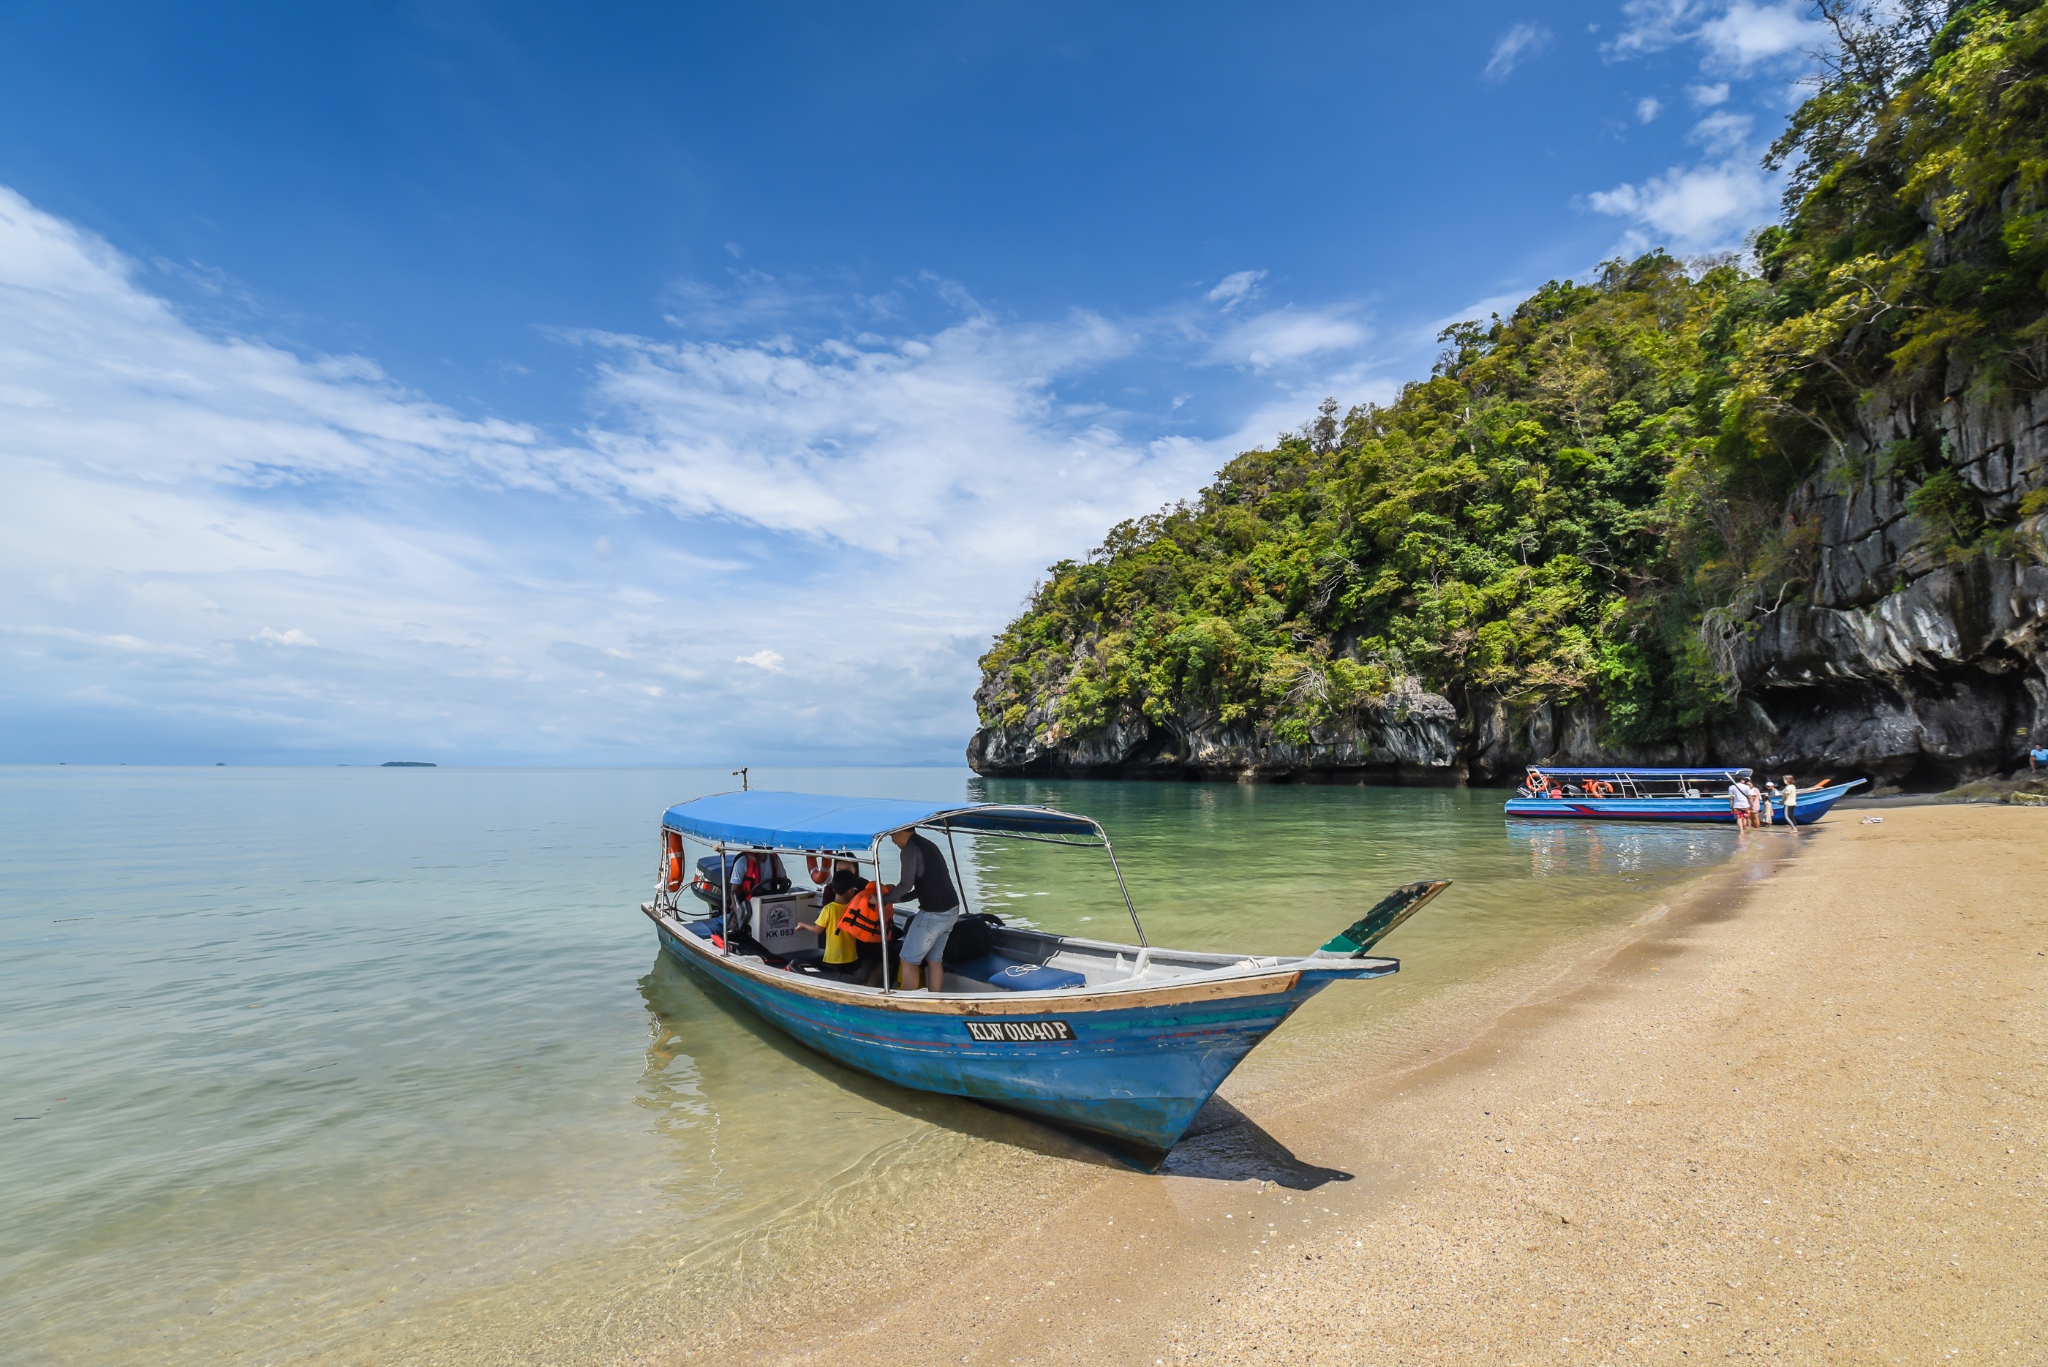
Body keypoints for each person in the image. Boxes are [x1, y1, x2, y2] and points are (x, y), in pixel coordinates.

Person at [885, 825, 961, 991]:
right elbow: (924, 885)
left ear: (899, 831)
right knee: (934, 959)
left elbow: (905, 885)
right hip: (951, 909)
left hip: (935, 914)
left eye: (891, 835)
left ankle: (910, 1008)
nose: (891, 840)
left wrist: (883, 899)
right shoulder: (927, 845)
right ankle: (934, 1001)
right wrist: (897, 899)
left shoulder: (909, 850)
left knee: (907, 960)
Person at [798, 868, 866, 979]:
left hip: (832, 958)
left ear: (833, 889)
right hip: (851, 958)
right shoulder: (854, 908)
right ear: (850, 891)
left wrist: (803, 925)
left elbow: (818, 930)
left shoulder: (828, 909)